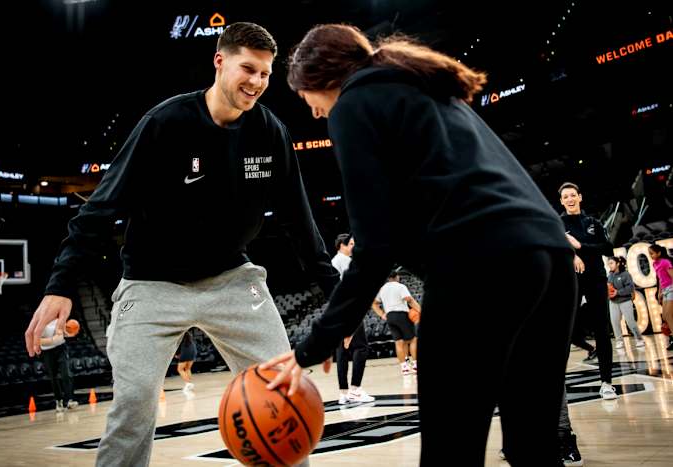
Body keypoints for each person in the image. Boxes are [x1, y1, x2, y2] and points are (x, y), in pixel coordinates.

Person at [261, 24, 577, 466]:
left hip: (479, 266)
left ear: (320, 78)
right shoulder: (428, 88)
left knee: (451, 451)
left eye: (304, 97)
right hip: (553, 261)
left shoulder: (352, 105)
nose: (313, 112)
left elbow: (375, 244)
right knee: (535, 447)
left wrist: (316, 344)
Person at [24, 22, 338, 467]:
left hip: (232, 279)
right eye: (248, 68)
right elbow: (101, 206)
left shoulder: (270, 133)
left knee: (282, 394)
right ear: (220, 61)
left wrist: (336, 297)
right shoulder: (165, 123)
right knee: (133, 403)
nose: (257, 82)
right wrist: (60, 286)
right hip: (151, 282)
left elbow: (301, 225)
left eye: (266, 74)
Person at [559, 182, 617, 400]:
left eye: (573, 195)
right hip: (570, 281)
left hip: (596, 279)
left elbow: (607, 248)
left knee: (602, 329)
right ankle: (557, 385)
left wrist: (581, 246)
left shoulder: (592, 222)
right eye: (566, 197)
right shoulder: (557, 224)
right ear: (562, 201)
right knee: (565, 330)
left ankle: (606, 383)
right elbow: (555, 249)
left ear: (580, 197)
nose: (570, 199)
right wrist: (573, 254)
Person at [331, 234, 374, 404]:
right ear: (341, 245)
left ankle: (343, 393)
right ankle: (355, 389)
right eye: (351, 244)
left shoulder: (333, 262)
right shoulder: (346, 261)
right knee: (361, 348)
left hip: (337, 310)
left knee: (342, 352)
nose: (353, 247)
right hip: (350, 309)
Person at [371, 272, 419, 376]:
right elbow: (409, 299)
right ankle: (415, 365)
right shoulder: (400, 286)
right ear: (396, 277)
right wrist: (420, 310)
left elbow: (374, 303)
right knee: (413, 339)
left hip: (390, 317)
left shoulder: (382, 288)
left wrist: (382, 314)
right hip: (401, 314)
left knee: (399, 342)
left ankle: (404, 368)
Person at [39, 318, 80, 412]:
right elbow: (38, 340)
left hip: (61, 348)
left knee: (66, 373)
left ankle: (70, 400)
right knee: (53, 377)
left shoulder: (59, 319)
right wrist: (53, 340)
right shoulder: (39, 323)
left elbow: (65, 333)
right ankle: (59, 401)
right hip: (47, 351)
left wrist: (70, 333)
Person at [607, 256, 645, 349]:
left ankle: (639, 339)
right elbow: (609, 288)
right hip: (613, 302)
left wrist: (618, 292)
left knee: (630, 322)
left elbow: (630, 288)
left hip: (625, 301)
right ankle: (619, 341)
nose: (610, 265)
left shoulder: (626, 274)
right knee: (615, 322)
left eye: (611, 263)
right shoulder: (610, 275)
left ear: (618, 263)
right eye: (609, 264)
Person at [649, 244, 673, 350]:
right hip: (664, 290)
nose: (651, 256)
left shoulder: (665, 262)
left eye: (652, 253)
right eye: (649, 254)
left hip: (671, 288)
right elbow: (660, 279)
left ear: (659, 253)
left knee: (668, 315)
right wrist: (659, 292)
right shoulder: (655, 264)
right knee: (665, 317)